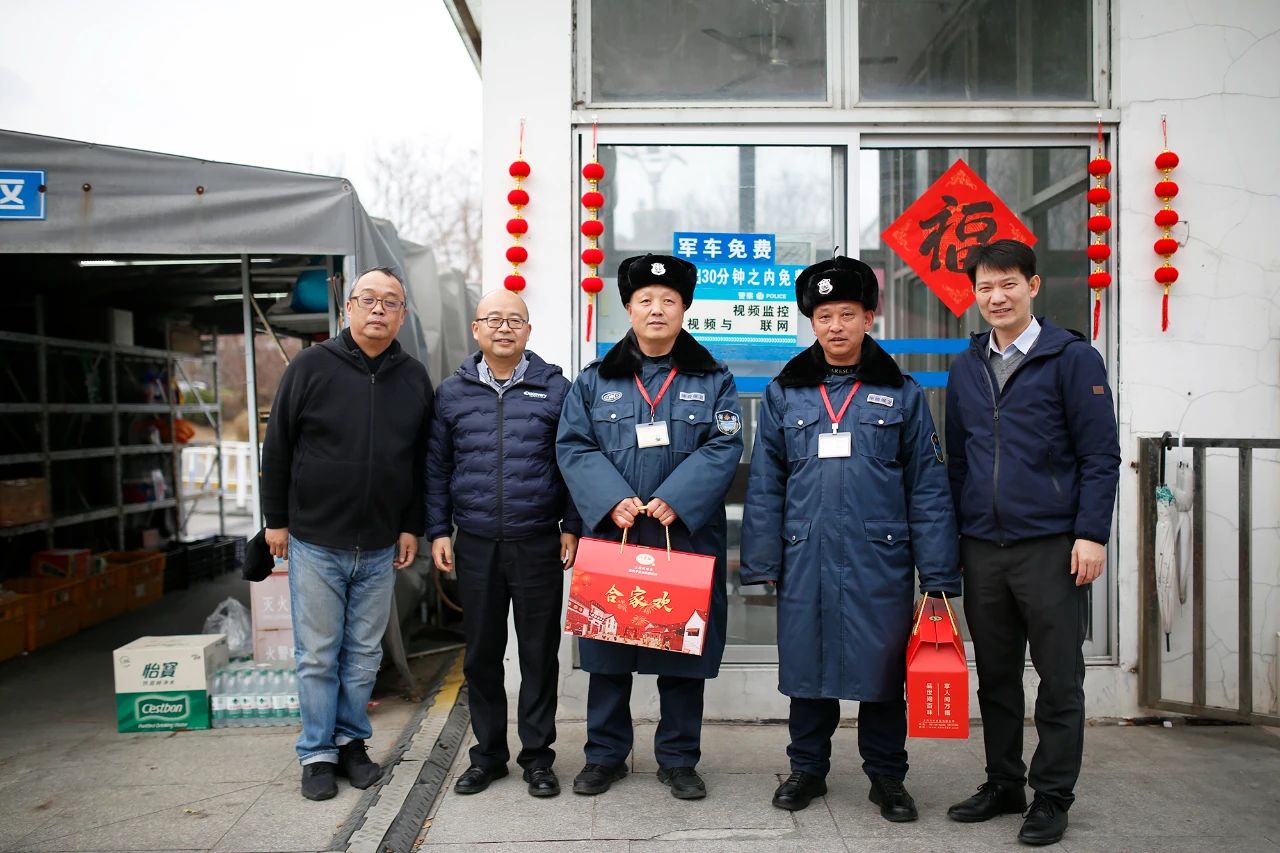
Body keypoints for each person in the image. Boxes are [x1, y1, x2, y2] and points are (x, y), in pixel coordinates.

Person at [740, 255, 961, 823]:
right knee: (808, 670)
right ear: (811, 323)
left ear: (869, 318)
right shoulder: (785, 393)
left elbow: (927, 486)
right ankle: (806, 769)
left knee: (883, 673)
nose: (835, 326)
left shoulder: (902, 393)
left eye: (847, 314)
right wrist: (763, 560)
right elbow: (766, 481)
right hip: (806, 554)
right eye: (824, 316)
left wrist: (937, 574)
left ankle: (887, 777)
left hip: (878, 557)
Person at [944, 239, 1119, 846]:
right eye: (986, 287)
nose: (997, 297)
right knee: (995, 676)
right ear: (975, 294)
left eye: (1008, 284)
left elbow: (1100, 456)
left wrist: (1090, 533)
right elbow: (959, 461)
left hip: (1051, 546)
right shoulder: (966, 366)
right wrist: (953, 538)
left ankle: (1051, 795)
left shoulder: (1072, 358)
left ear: (1033, 286)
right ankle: (1003, 783)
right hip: (982, 546)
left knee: (1059, 677)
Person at [556, 254, 743, 800]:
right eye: (645, 301)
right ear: (629, 309)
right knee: (608, 653)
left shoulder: (714, 379)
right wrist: (609, 498)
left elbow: (725, 443)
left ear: (684, 309)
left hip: (682, 534)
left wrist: (677, 498)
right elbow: (573, 444)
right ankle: (604, 757)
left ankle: (679, 760)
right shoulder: (595, 381)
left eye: (668, 300)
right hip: (615, 533)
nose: (656, 309)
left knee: (682, 654)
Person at [260, 267, 433, 801]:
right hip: (315, 539)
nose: (379, 309)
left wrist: (412, 526)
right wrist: (274, 521)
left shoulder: (413, 378)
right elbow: (278, 445)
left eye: (390, 302)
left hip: (381, 543)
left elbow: (420, 462)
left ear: (402, 315)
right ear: (348, 308)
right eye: (369, 299)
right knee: (318, 653)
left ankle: (351, 742)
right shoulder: (311, 366)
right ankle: (316, 753)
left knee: (362, 654)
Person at [426, 289, 581, 799]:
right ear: (476, 329)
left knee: (538, 654)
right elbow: (437, 467)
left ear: (528, 331)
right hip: (475, 543)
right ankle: (488, 756)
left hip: (537, 541)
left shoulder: (556, 389)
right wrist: (438, 530)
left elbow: (574, 462)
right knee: (481, 656)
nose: (503, 327)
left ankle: (538, 758)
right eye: (492, 319)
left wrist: (571, 524)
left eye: (515, 320)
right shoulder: (452, 393)